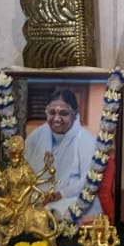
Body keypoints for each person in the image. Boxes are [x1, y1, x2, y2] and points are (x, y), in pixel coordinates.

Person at [24, 86, 98, 220]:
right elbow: (24, 171)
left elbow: (88, 181)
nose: (57, 118)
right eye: (52, 112)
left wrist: (57, 195)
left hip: (72, 198)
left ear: (74, 114)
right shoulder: (36, 136)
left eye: (63, 113)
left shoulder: (85, 139)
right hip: (38, 198)